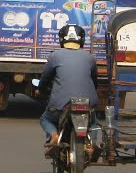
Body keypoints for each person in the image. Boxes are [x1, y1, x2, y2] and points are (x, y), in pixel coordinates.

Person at [37, 24, 98, 155]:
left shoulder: (55, 56)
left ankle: (54, 135)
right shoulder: (89, 57)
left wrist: (40, 90)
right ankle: (91, 145)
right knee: (93, 123)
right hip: (87, 103)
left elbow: (45, 78)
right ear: (81, 40)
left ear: (62, 39)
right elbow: (94, 79)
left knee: (45, 119)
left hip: (61, 104)